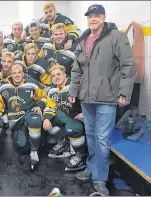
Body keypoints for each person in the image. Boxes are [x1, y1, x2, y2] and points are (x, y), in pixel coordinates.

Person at [68, 4, 137, 195]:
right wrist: (73, 91)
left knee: (102, 139)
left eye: (97, 15)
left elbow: (129, 65)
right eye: (90, 16)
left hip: (107, 98)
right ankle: (91, 168)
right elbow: (77, 70)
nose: (93, 18)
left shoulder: (116, 37)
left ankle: (100, 178)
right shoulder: (83, 40)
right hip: (87, 98)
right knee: (90, 136)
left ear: (104, 17)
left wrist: (124, 93)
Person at [0, 62, 56, 170]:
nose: (17, 75)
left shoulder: (32, 84)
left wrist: (40, 106)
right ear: (11, 75)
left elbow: (44, 97)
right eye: (14, 73)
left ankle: (34, 151)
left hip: (29, 115)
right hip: (15, 123)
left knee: (35, 120)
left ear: (23, 74)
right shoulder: (3, 87)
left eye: (19, 73)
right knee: (21, 147)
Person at [43, 64, 87, 172]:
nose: (56, 77)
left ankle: (81, 156)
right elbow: (50, 107)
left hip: (80, 118)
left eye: (58, 74)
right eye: (53, 76)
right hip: (67, 118)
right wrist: (46, 119)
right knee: (47, 120)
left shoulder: (75, 84)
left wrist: (86, 112)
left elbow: (88, 97)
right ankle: (64, 143)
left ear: (64, 74)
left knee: (72, 128)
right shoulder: (52, 91)